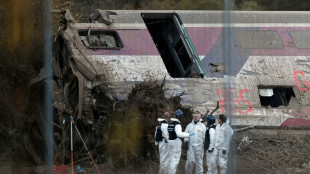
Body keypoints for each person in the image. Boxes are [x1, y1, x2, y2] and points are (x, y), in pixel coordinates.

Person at [167, 109, 195, 174]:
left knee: (171, 159)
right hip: (175, 143)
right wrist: (188, 134)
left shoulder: (170, 124)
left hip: (170, 142)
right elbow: (179, 134)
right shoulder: (177, 125)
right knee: (175, 160)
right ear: (179, 117)